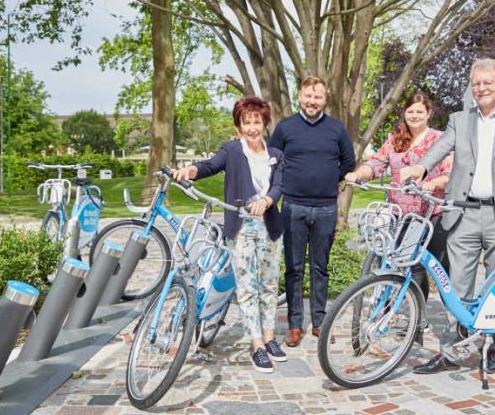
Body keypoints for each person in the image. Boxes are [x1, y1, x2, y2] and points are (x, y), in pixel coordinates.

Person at [400, 58, 495, 374]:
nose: (481, 88)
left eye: (487, 83)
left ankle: (491, 347)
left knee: (494, 286)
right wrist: (421, 167)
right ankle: (450, 351)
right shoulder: (460, 120)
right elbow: (441, 147)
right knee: (456, 287)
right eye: (476, 83)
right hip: (462, 212)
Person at [172, 96, 286, 374]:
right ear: (239, 125)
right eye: (246, 122)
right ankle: (257, 345)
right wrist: (190, 170)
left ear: (264, 124)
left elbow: (279, 186)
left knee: (269, 286)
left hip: (270, 227)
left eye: (256, 122)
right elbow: (210, 165)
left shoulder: (277, 155)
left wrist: (267, 201)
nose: (252, 128)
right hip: (242, 228)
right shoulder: (232, 151)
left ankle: (270, 337)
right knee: (247, 287)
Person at [269, 76, 356, 347]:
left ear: (325, 99)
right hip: (293, 207)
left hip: (326, 208)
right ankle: (295, 324)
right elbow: (273, 162)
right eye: (308, 95)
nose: (312, 101)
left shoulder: (336, 129)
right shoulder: (285, 128)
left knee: (320, 267)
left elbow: (348, 163)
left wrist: (329, 181)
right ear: (299, 96)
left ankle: (319, 321)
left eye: (317, 96)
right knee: (294, 269)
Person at [344, 92, 453, 303]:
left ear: (428, 113)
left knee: (443, 269)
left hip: (432, 214)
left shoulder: (439, 139)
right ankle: (418, 320)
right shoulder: (396, 139)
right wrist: (357, 174)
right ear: (404, 113)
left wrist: (432, 183)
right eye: (410, 111)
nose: (414, 115)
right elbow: (376, 163)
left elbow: (449, 173)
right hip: (402, 216)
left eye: (419, 111)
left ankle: (454, 317)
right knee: (412, 266)